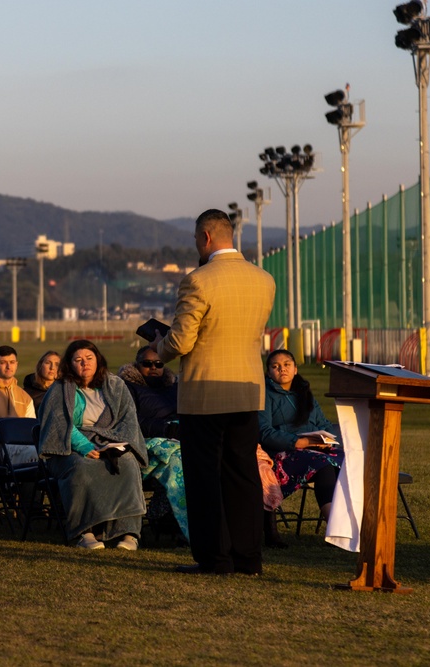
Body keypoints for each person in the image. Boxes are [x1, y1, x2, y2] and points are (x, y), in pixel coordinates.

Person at [154, 208, 275, 575]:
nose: (196, 246)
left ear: (206, 237)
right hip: (246, 391)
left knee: (204, 478)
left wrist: (160, 346)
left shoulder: (198, 281)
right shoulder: (264, 279)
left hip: (204, 393)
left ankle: (214, 558)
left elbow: (182, 340)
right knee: (242, 475)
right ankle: (248, 557)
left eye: (195, 240)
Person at [37, 340, 147, 550]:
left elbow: (128, 419)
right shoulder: (60, 389)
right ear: (70, 364)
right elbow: (59, 423)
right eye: (78, 360)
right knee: (81, 467)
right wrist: (85, 447)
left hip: (109, 443)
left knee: (127, 464)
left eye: (89, 358)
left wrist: (116, 446)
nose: (84, 364)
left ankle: (128, 533)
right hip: (68, 448)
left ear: (98, 360)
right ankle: (85, 532)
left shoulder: (115, 386)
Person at [258, 349, 344, 522]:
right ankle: (335, 525)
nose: (282, 369)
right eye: (276, 366)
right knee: (324, 464)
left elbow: (325, 424)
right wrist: (297, 442)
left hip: (314, 448)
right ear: (269, 372)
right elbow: (265, 432)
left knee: (347, 461)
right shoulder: (265, 395)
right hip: (284, 453)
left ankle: (354, 520)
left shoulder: (304, 393)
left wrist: (327, 440)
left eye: (287, 364)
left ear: (295, 369)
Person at [117, 350, 187, 541]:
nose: (154, 368)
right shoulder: (127, 387)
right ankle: (176, 521)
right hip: (145, 442)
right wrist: (164, 429)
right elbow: (130, 419)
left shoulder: (174, 387)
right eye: (148, 364)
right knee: (179, 459)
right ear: (137, 364)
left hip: (178, 438)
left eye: (159, 364)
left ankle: (166, 513)